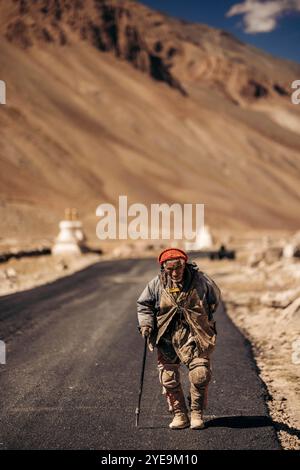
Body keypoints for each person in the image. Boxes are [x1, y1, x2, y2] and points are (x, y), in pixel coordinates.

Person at [137, 248, 221, 430]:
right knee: (168, 378)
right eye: (170, 269)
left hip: (195, 335)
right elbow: (144, 305)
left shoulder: (201, 281)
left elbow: (213, 302)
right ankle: (180, 414)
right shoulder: (156, 284)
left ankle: (197, 413)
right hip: (166, 337)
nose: (175, 273)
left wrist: (200, 319)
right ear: (163, 268)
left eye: (179, 267)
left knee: (200, 374)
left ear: (185, 265)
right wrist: (146, 324)